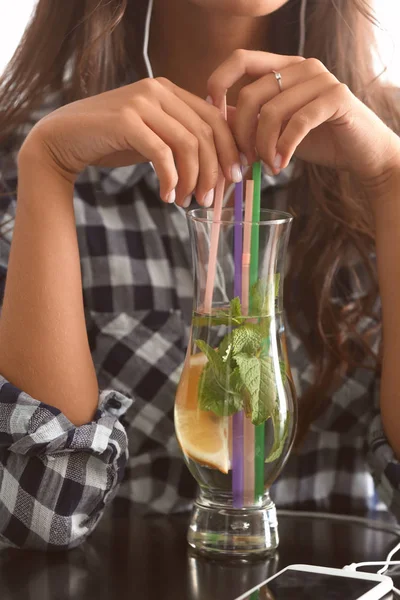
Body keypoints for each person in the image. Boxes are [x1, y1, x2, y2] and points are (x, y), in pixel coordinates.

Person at [0, 0, 400, 551]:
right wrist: (48, 167)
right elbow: (40, 516)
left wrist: (390, 181)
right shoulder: (27, 156)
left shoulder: (387, 146)